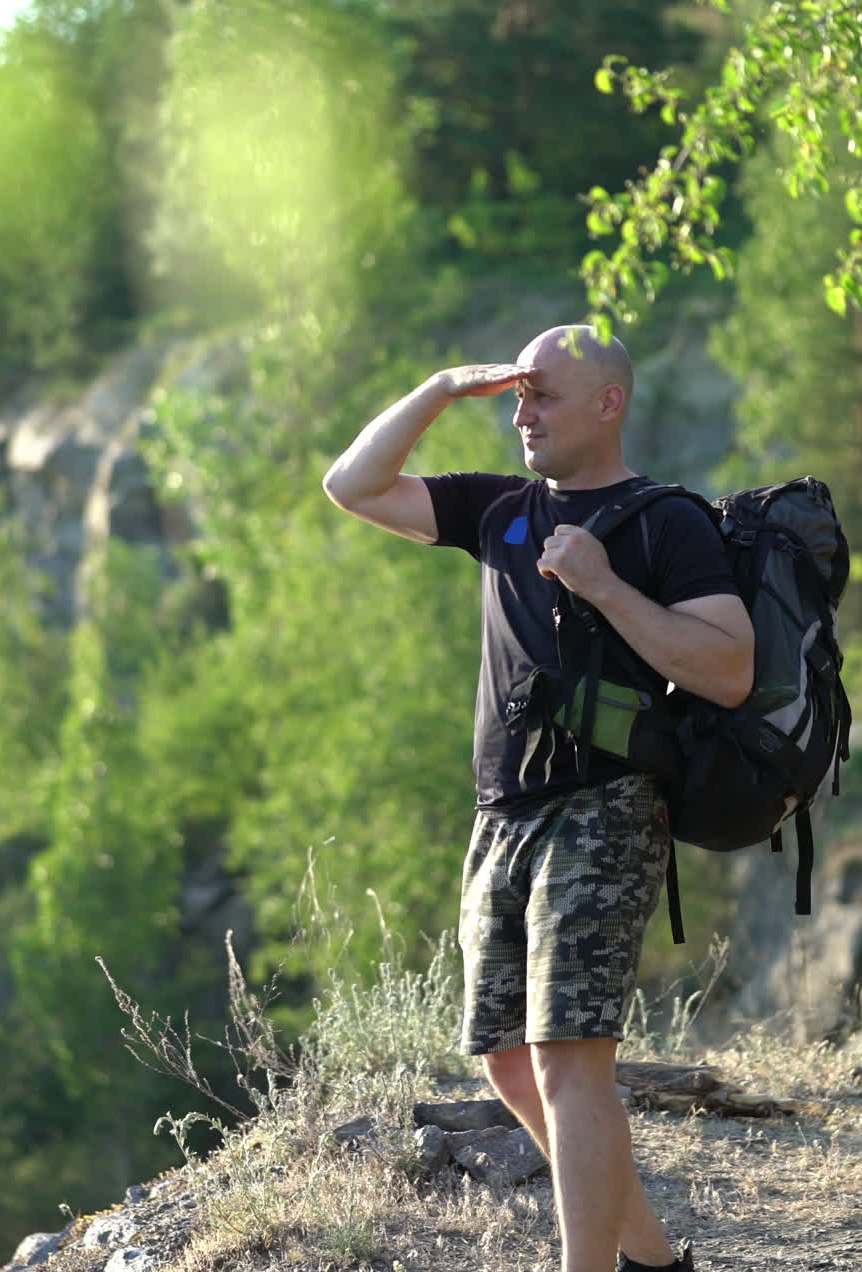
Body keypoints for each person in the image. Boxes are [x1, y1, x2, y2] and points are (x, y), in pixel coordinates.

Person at [321, 325, 754, 1272]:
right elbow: (351, 487)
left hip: (605, 808)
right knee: (509, 1060)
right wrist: (438, 387)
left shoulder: (663, 521)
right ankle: (653, 1261)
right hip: (501, 815)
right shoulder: (499, 510)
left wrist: (601, 588)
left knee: (567, 1056)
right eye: (517, 397)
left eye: (544, 396)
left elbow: (727, 667)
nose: (523, 414)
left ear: (610, 404)